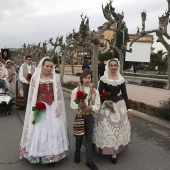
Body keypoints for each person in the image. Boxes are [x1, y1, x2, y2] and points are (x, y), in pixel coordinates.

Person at [20, 57, 69, 165]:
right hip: (41, 106)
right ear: (42, 66)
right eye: (47, 66)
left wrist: (59, 105)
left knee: (54, 128)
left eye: (51, 66)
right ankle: (39, 154)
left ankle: (53, 154)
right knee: (40, 129)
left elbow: (59, 94)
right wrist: (36, 106)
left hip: (53, 106)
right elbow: (32, 95)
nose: (49, 68)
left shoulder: (55, 77)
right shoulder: (36, 77)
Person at [93, 58, 131, 164]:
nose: (113, 67)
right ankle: (104, 147)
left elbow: (124, 94)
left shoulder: (121, 79)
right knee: (106, 128)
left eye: (115, 65)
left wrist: (129, 109)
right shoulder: (103, 79)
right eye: (111, 65)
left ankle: (114, 153)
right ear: (108, 67)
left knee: (117, 128)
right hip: (106, 106)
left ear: (118, 66)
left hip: (119, 105)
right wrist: (105, 102)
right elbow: (99, 93)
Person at [70, 69, 100, 170]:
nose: (87, 80)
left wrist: (91, 108)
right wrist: (79, 105)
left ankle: (89, 160)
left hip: (89, 116)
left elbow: (98, 105)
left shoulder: (95, 91)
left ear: (91, 79)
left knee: (89, 138)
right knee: (79, 136)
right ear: (81, 78)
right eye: (85, 78)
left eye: (89, 78)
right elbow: (72, 104)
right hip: (79, 116)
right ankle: (77, 153)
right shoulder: (76, 90)